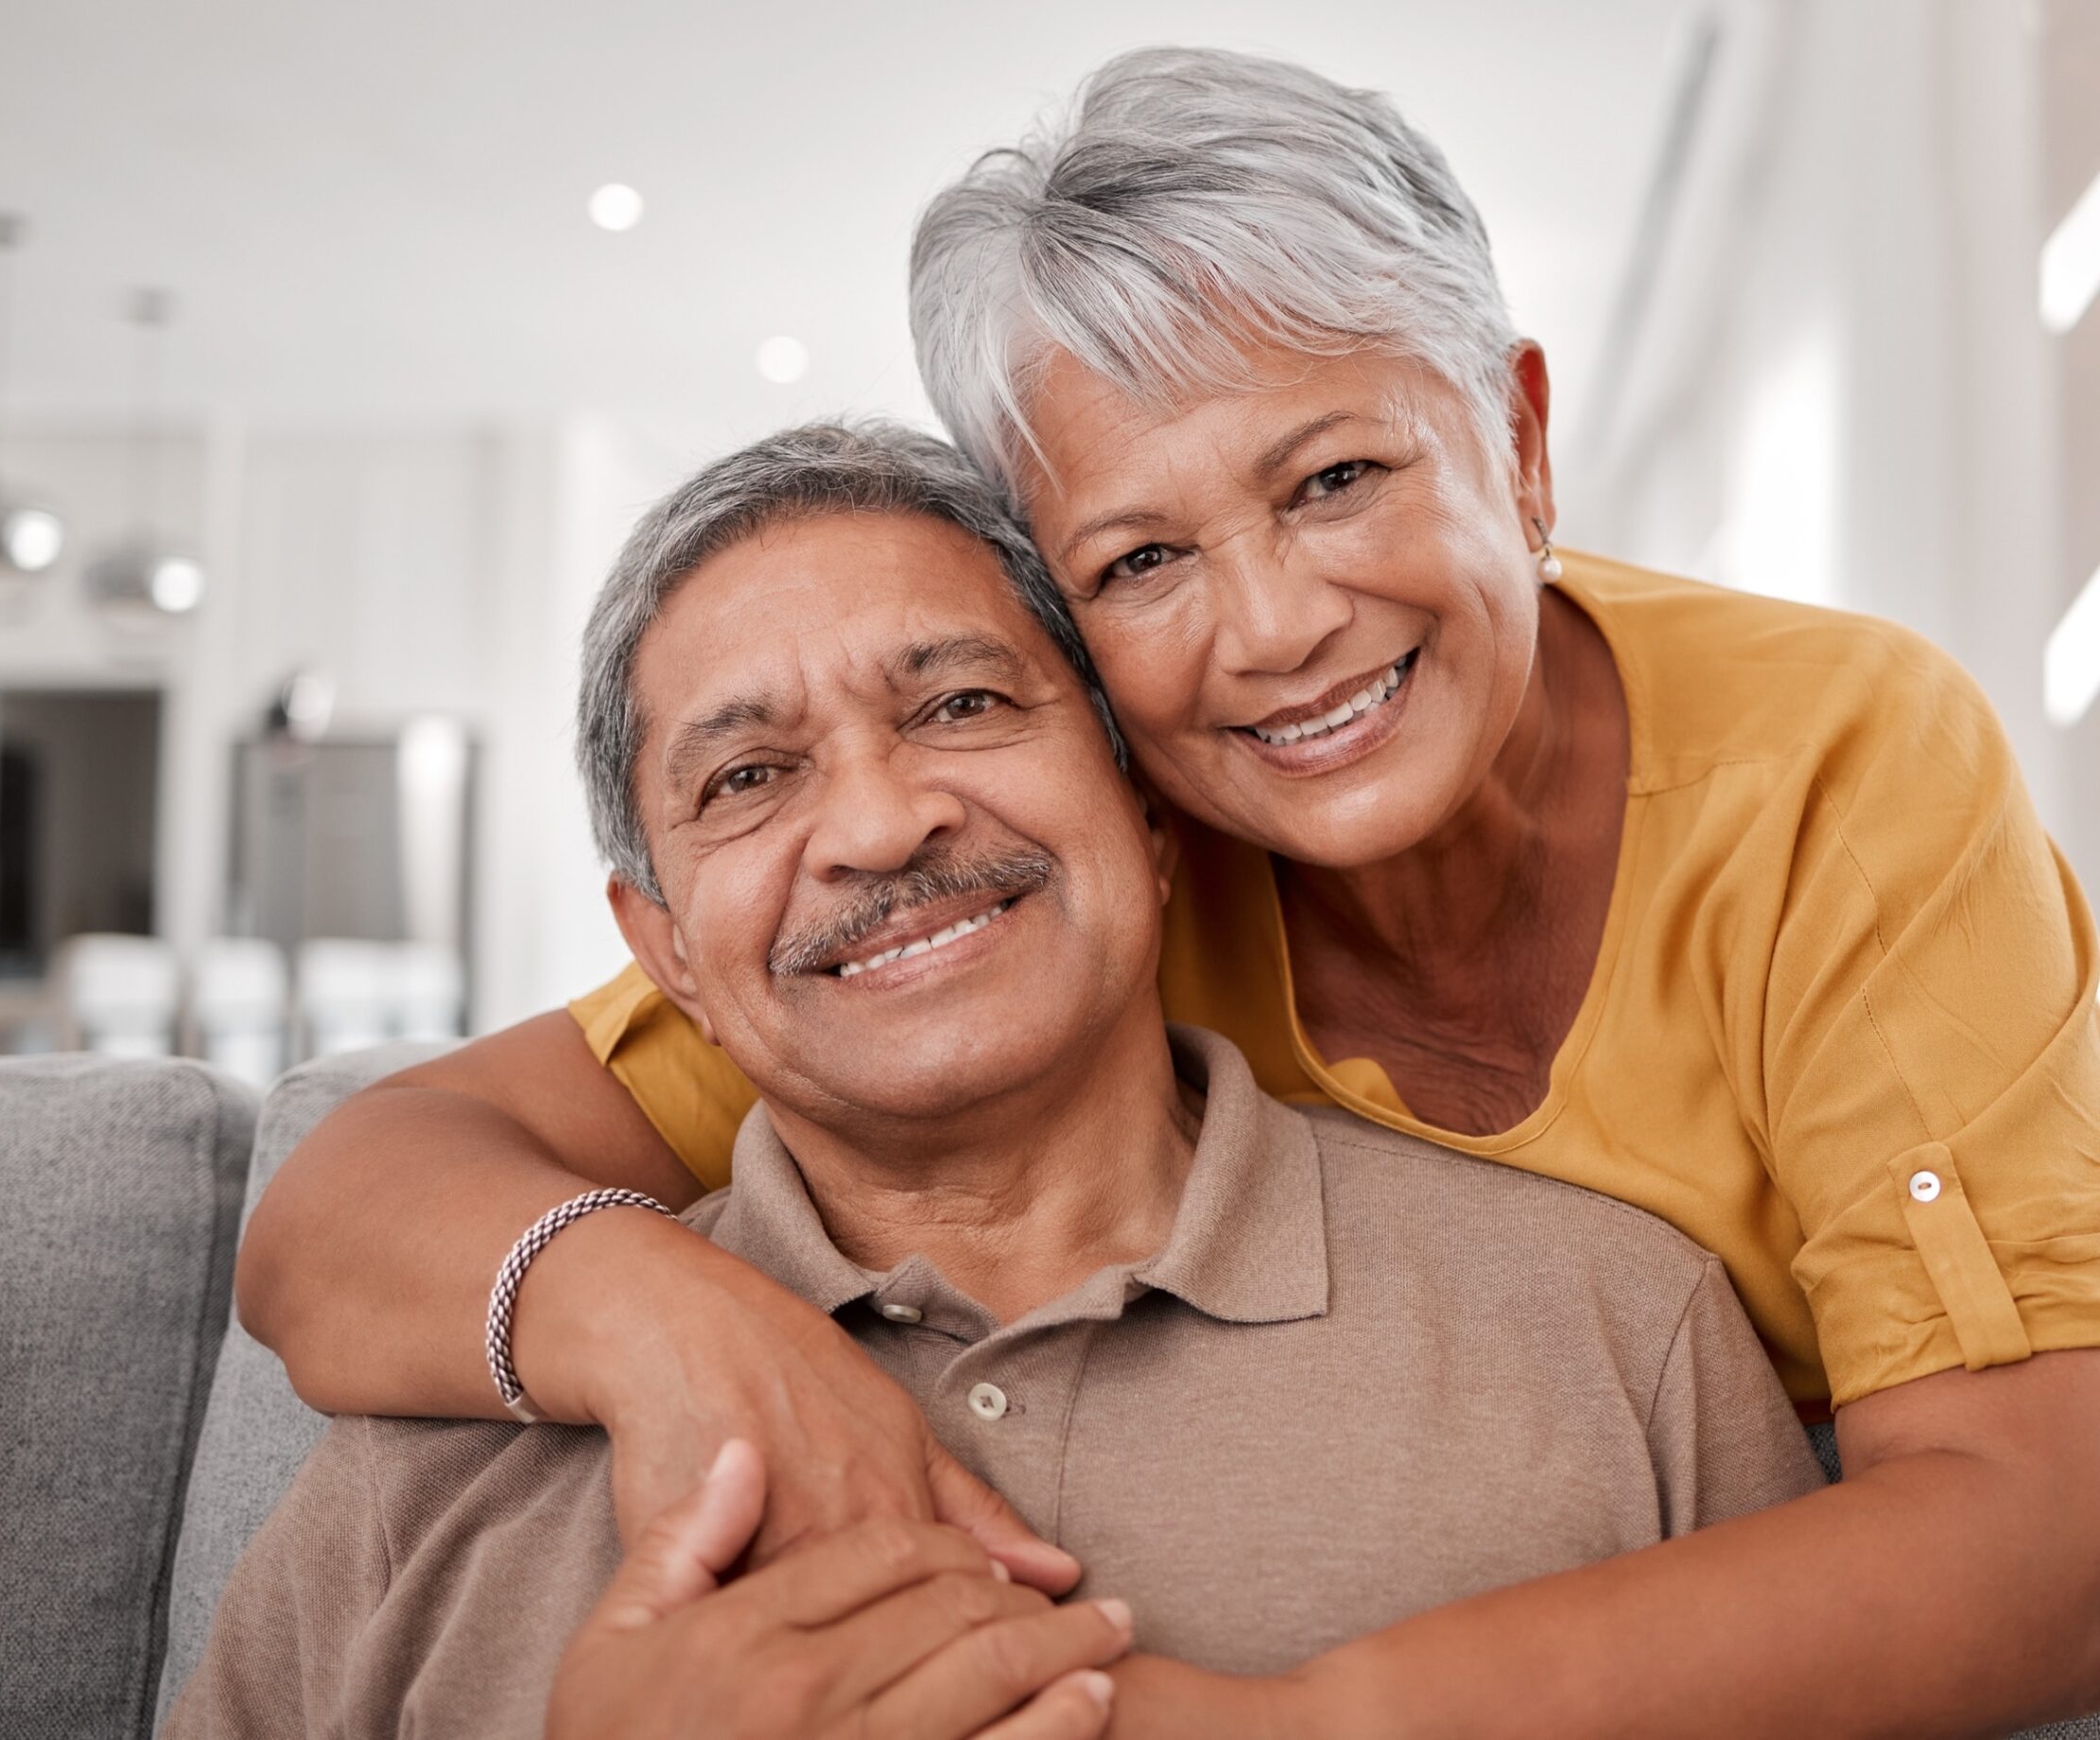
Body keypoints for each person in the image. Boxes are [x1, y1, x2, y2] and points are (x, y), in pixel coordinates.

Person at [238, 47, 2100, 1734]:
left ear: (1518, 443)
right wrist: (690, 1335)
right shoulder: (1006, 899)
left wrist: (1299, 1728)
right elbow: (345, 1205)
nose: (1273, 633)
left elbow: (2041, 1528)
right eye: (1136, 561)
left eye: (1335, 478)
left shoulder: (1832, 765)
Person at [169, 424, 1818, 1740]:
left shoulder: (1621, 1335)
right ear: (663, 950)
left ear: (1153, 810)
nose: (884, 826)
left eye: (960, 703)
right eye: (751, 778)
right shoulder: (441, 1441)